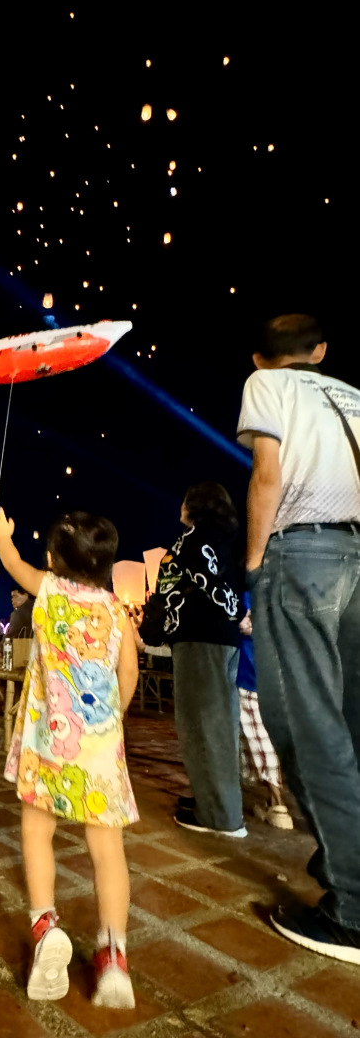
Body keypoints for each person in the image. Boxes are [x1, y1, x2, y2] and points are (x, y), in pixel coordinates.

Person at [239, 312, 360, 963]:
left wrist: (256, 563)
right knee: (351, 719)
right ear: (320, 349)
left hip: (303, 554)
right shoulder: (353, 395)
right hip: (357, 557)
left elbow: (268, 474)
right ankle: (348, 852)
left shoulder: (268, 388)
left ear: (261, 360)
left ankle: (354, 906)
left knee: (304, 725)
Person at [0, 507, 139, 1009]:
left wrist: (3, 537)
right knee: (107, 850)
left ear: (53, 560)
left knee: (37, 831)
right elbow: (129, 676)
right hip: (98, 748)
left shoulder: (47, 591)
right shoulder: (117, 613)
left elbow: (13, 564)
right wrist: (110, 719)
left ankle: (46, 924)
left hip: (46, 745)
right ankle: (114, 954)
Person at [140, 482, 247, 837]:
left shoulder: (195, 540)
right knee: (216, 721)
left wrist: (232, 611)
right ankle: (212, 800)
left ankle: (220, 816)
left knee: (203, 725)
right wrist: (236, 614)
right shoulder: (223, 542)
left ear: (196, 505)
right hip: (218, 640)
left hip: (200, 639)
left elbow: (210, 584)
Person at [236, 597, 292, 830]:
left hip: (249, 671)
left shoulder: (248, 590)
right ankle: (274, 800)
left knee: (258, 736)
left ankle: (278, 803)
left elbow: (243, 624)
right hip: (275, 673)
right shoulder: (278, 587)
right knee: (268, 735)